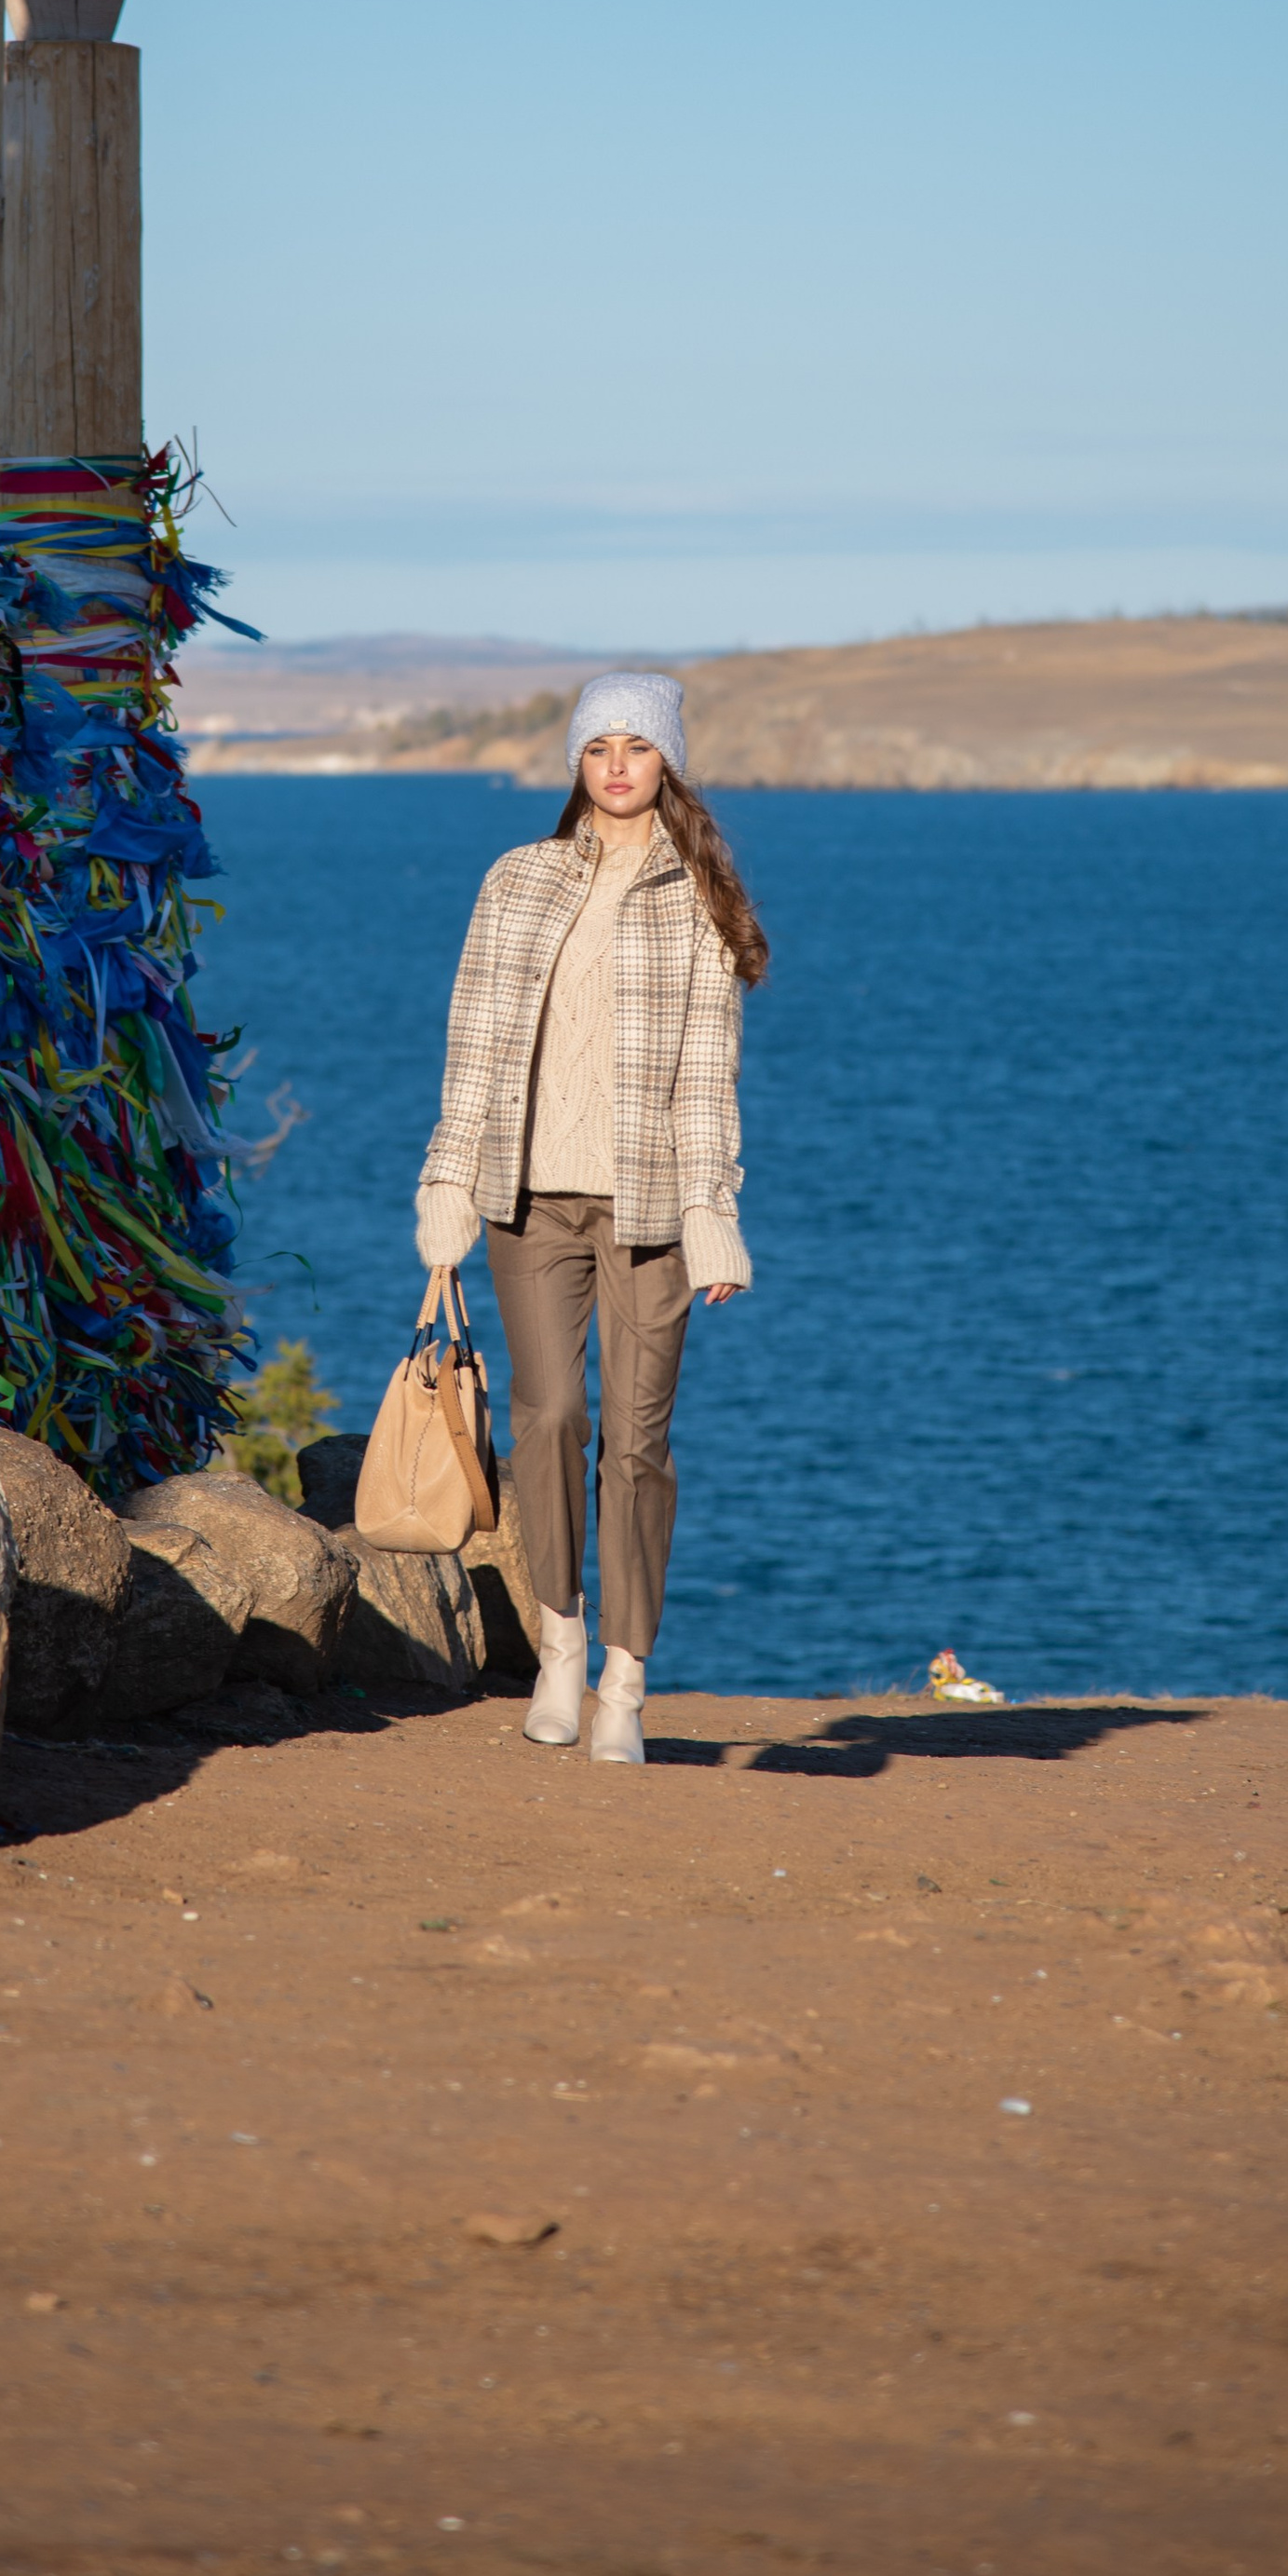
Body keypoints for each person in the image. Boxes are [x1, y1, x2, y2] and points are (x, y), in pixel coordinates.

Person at [414, 671, 767, 1765]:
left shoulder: (700, 904)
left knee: (639, 1446)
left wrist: (714, 1213)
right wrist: (447, 1181)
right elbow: (471, 1046)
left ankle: (625, 1678)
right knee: (552, 1416)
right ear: (576, 763)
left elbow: (708, 1083)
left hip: (653, 1209)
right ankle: (559, 1643)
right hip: (528, 1199)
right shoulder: (515, 881)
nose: (618, 765)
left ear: (667, 764)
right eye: (599, 746)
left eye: (639, 746)